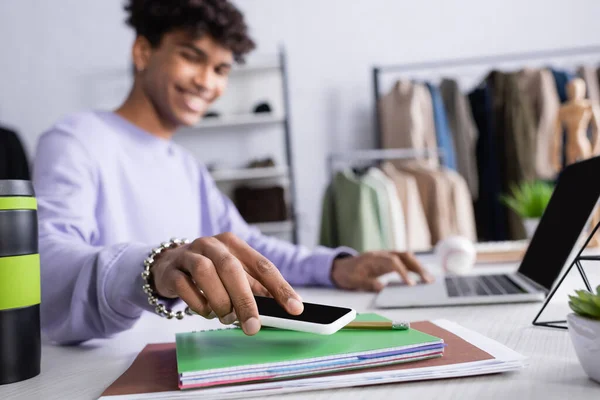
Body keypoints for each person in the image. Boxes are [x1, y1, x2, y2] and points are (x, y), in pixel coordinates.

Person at [32, 0, 433, 345]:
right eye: (191, 56)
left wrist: (335, 266)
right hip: (102, 374)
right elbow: (44, 265)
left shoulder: (185, 166)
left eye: (221, 69)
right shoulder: (75, 139)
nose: (207, 82)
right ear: (142, 52)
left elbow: (250, 248)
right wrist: (154, 267)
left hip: (188, 355)